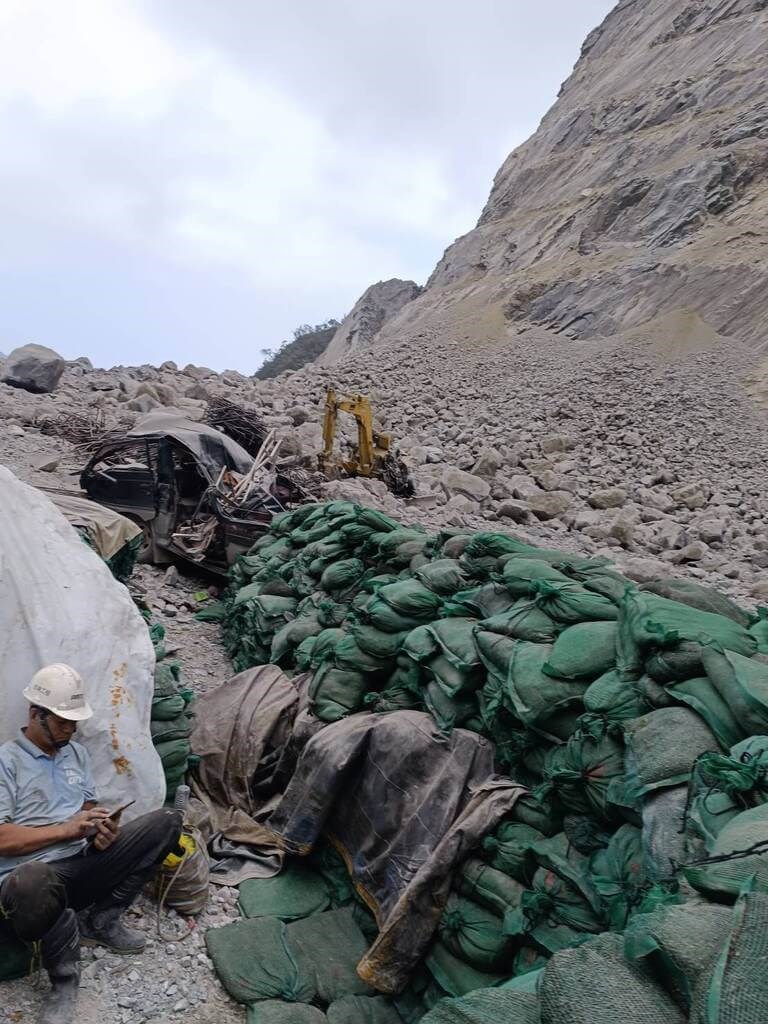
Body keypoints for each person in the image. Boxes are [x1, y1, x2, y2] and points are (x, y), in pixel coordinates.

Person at [0, 664, 182, 1024]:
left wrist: (100, 830)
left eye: (74, 723)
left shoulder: (76, 755)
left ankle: (102, 920)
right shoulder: (7, 761)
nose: (70, 730)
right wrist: (65, 830)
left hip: (81, 861)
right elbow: (2, 837)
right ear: (35, 714)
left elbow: (85, 810)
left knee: (167, 821)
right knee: (32, 878)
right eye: (62, 722)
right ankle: (64, 979)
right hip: (32, 881)